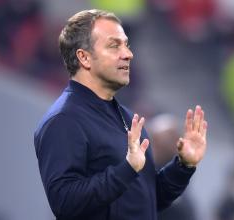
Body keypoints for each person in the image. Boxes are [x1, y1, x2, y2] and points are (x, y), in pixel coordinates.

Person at [33, 9, 208, 220]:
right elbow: (65, 203)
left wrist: (182, 166)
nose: (127, 54)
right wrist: (126, 169)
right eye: (114, 45)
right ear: (84, 57)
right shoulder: (64, 120)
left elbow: (148, 201)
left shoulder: (127, 118)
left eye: (126, 45)